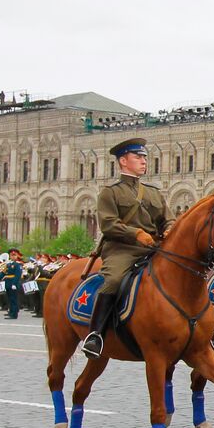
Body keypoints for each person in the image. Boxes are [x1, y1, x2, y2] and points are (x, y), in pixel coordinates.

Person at [82, 139, 168, 358]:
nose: (143, 161)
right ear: (123, 161)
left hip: (153, 249)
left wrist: (170, 230)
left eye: (144, 157)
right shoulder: (110, 193)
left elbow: (168, 219)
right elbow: (109, 224)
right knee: (113, 281)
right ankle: (96, 335)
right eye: (137, 157)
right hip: (122, 250)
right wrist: (136, 234)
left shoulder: (154, 193)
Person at [3, 248, 24, 319]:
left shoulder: (18, 265)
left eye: (14, 255)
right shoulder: (8, 264)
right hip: (8, 283)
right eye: (11, 255)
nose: (13, 257)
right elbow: (4, 273)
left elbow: (18, 275)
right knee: (9, 299)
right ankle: (11, 311)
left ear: (17, 256)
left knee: (14, 299)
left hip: (13, 283)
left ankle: (14, 314)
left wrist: (14, 284)